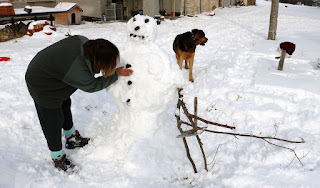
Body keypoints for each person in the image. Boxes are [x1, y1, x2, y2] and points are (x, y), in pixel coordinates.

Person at [25, 35, 133, 171]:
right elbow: (92, 86)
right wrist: (115, 74)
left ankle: (71, 138)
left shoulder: (83, 41)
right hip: (41, 83)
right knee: (52, 120)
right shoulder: (78, 69)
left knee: (64, 104)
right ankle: (57, 157)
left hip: (55, 74)